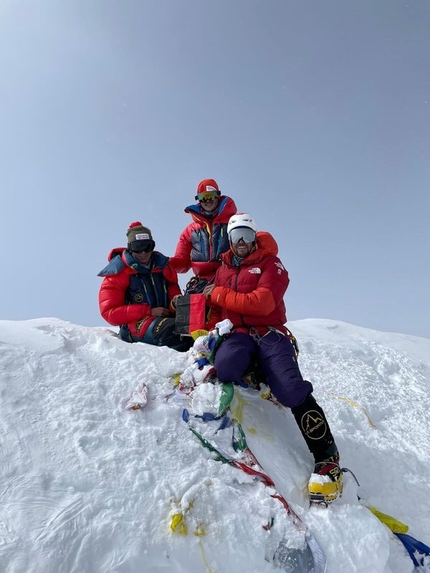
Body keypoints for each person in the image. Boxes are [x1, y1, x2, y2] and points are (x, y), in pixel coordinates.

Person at [203, 213, 342, 503]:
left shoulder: (272, 265)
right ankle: (258, 371)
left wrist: (218, 294)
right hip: (238, 333)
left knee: (290, 390)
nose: (242, 242)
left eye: (248, 235)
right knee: (226, 368)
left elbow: (263, 303)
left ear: (256, 237)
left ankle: (326, 455)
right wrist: (210, 328)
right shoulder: (223, 269)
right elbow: (216, 310)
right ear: (229, 239)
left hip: (270, 332)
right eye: (237, 235)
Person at [98, 221, 193, 352]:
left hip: (165, 319)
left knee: (196, 324)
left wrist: (175, 303)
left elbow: (173, 297)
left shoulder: (163, 267)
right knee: (173, 331)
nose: (143, 252)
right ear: (130, 248)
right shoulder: (118, 273)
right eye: (138, 247)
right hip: (136, 325)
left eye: (147, 246)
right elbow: (109, 312)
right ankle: (180, 363)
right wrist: (148, 311)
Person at [170, 178, 237, 293]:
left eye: (211, 195)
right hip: (202, 284)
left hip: (230, 280)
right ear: (198, 200)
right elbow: (182, 263)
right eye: (203, 197)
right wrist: (166, 263)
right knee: (189, 307)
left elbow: (249, 243)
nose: (208, 200)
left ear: (218, 196)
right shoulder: (190, 231)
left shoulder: (234, 223)